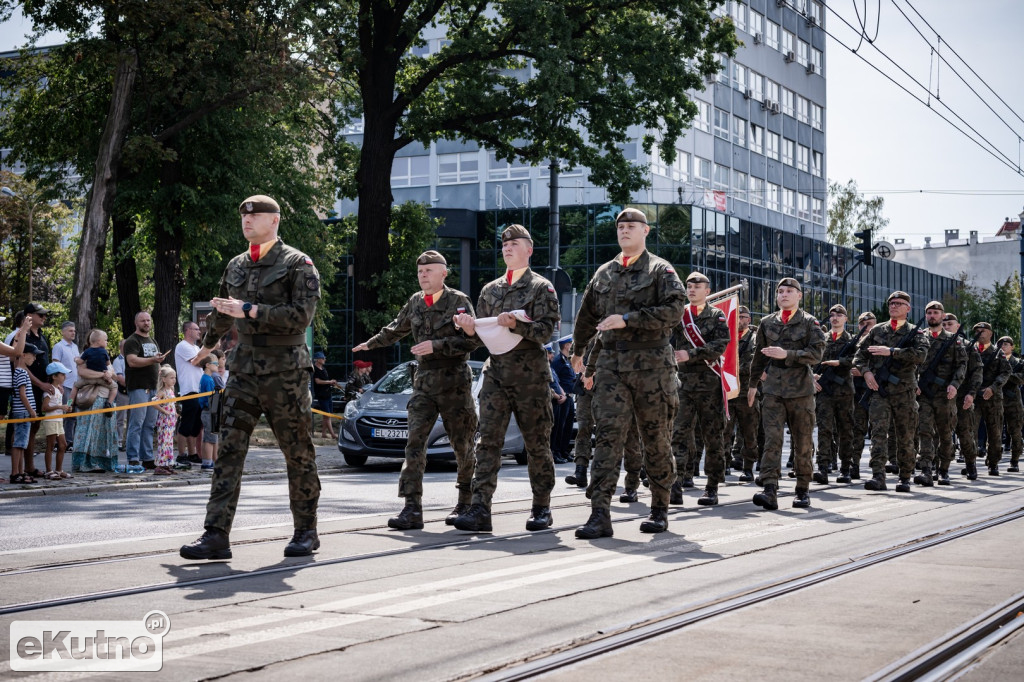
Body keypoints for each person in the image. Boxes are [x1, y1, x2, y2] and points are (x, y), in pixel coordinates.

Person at [180, 194, 322, 560]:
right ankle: (216, 534)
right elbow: (226, 313)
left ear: (274, 221)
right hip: (243, 370)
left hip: (285, 370)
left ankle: (306, 530)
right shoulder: (237, 265)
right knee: (228, 450)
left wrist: (253, 310)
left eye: (255, 216)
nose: (247, 221)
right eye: (244, 216)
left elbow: (301, 316)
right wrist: (208, 347)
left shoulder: (297, 263)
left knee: (297, 451)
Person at [570, 207, 687, 537]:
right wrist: (580, 351)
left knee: (655, 439)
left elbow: (674, 309)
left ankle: (660, 508)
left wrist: (629, 319)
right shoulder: (604, 273)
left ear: (645, 231)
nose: (625, 230)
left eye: (632, 226)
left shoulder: (660, 270)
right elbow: (586, 314)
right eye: (620, 226)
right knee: (607, 436)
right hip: (611, 366)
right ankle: (599, 513)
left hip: (652, 367)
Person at [354, 249, 478, 530]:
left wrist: (437, 345)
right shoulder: (415, 302)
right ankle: (411, 508)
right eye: (420, 272)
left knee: (463, 445)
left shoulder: (458, 301)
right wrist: (370, 344)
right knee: (414, 444)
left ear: (443, 273)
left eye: (429, 271)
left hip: (455, 383)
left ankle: (466, 501)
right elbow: (396, 329)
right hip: (423, 383)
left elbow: (474, 341)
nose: (423, 276)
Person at [451, 224, 560, 533]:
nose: (508, 247)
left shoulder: (541, 288)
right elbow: (480, 338)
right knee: (487, 442)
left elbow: (547, 332)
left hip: (530, 377)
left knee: (536, 443)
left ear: (529, 250)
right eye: (504, 244)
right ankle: (480, 509)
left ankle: (542, 507)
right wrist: (469, 329)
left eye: (515, 243)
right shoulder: (490, 290)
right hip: (496, 373)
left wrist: (517, 324)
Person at [748, 278, 825, 510]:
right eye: (780, 291)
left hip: (800, 390)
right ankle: (770, 488)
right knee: (772, 439)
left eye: (789, 291)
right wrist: (752, 384)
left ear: (799, 296)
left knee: (802, 441)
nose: (783, 295)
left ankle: (802, 489)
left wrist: (787, 355)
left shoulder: (810, 322)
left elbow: (816, 354)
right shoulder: (766, 322)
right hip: (773, 389)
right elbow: (758, 356)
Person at [853, 291, 930, 492]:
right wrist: (867, 372)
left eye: (899, 303)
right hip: (880, 391)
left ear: (908, 308)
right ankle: (878, 475)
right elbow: (859, 356)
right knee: (878, 433)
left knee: (905, 434)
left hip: (904, 392)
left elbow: (921, 356)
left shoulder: (916, 333)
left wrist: (892, 352)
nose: (894, 306)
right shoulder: (876, 331)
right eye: (891, 303)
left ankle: (904, 476)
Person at [670, 271, 730, 506]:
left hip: (709, 385)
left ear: (707, 290)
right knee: (678, 435)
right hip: (683, 384)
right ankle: (675, 485)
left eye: (698, 286)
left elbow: (721, 345)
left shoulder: (717, 316)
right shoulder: (679, 316)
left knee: (713, 437)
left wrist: (690, 353)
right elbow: (667, 341)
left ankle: (712, 487)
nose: (692, 289)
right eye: (689, 285)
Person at [913, 301, 967, 487]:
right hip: (924, 394)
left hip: (945, 394)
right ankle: (926, 470)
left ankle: (943, 470)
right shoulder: (919, 338)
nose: (932, 316)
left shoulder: (953, 340)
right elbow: (911, 363)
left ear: (943, 316)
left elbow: (961, 365)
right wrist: (914, 383)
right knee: (925, 430)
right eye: (929, 313)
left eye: (935, 312)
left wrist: (954, 385)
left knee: (945, 433)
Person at [812, 304, 858, 485]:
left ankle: (846, 468)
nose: (835, 318)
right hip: (824, 391)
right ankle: (822, 467)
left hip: (844, 392)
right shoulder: (821, 339)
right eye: (832, 315)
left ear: (846, 319)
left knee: (845, 430)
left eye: (839, 315)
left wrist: (840, 362)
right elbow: (811, 360)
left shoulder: (852, 340)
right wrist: (813, 377)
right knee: (824, 429)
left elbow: (857, 359)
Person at [125, 312, 170, 469]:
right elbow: (132, 361)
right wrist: (152, 359)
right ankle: (133, 457)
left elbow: (155, 363)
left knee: (150, 424)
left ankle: (147, 457)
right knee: (137, 422)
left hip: (153, 388)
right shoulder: (132, 341)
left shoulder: (152, 340)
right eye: (143, 320)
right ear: (136, 322)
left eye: (148, 320)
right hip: (138, 387)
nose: (146, 323)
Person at [942, 314, 984, 481]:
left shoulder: (967, 346)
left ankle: (970, 463)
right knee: (940, 433)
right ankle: (940, 466)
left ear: (957, 325)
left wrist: (972, 394)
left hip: (962, 395)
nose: (946, 326)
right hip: (940, 395)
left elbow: (977, 371)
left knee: (965, 432)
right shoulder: (937, 343)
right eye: (944, 324)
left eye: (950, 324)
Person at [971, 322, 1011, 476]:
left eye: (983, 330)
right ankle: (971, 463)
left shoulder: (998, 352)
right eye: (977, 331)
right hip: (974, 397)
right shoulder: (970, 350)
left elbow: (1006, 372)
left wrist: (993, 388)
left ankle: (993, 463)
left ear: (991, 333)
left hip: (992, 397)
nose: (980, 333)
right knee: (970, 431)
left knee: (995, 432)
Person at [728, 306, 760, 482]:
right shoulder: (727, 338)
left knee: (749, 431)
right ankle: (723, 464)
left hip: (747, 391)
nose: (740, 319)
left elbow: (754, 363)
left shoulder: (755, 339)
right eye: (737, 316)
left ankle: (748, 467)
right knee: (724, 431)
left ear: (749, 319)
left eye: (744, 317)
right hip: (728, 391)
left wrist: (734, 369)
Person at [22, 303, 52, 478]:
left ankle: (30, 466)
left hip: (43, 387)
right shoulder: (21, 336)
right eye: (40, 315)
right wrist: (39, 383)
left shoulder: (42, 336)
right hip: (28, 387)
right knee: (24, 425)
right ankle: (22, 467)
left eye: (44, 315)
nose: (44, 318)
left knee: (35, 426)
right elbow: (20, 365)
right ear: (29, 316)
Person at [565, 337, 598, 488]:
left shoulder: (611, 324)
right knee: (584, 428)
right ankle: (580, 471)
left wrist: (592, 371)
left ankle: (602, 472)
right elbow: (573, 354)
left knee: (607, 432)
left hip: (608, 387)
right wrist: (582, 368)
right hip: (585, 387)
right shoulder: (584, 331)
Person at [10, 344, 44, 483]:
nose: (35, 358)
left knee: (22, 444)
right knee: (19, 444)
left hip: (23, 413)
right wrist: (31, 411)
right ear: (23, 355)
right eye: (33, 355)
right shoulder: (22, 372)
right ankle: (15, 473)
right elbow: (22, 395)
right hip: (23, 413)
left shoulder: (20, 372)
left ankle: (21, 472)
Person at [849, 311, 877, 479]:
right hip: (858, 392)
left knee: (877, 431)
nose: (865, 327)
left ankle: (876, 465)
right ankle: (854, 464)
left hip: (875, 390)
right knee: (857, 430)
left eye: (869, 324)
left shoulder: (881, 341)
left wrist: (866, 371)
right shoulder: (853, 342)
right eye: (862, 324)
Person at [1, 313, 32, 459]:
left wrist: (19, 338)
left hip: (4, 388)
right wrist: (25, 330)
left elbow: (13, 356)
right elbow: (18, 352)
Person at [175, 321, 204, 467]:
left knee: (195, 425)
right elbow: (197, 362)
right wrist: (209, 350)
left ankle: (193, 454)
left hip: (199, 390)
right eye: (196, 329)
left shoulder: (196, 347)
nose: (199, 331)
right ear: (188, 331)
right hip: (189, 389)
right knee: (186, 424)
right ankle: (181, 455)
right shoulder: (183, 346)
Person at [41, 361, 74, 480]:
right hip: (51, 420)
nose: (65, 377)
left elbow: (57, 405)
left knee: (63, 445)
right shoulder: (49, 391)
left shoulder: (59, 389)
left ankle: (59, 470)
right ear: (54, 376)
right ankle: (48, 471)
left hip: (59, 420)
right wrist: (60, 407)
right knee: (50, 445)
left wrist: (65, 408)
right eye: (62, 374)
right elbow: (44, 408)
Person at [50, 320, 80, 446]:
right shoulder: (59, 347)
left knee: (72, 413)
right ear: (63, 332)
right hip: (65, 386)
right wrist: (59, 384)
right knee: (64, 412)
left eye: (74, 331)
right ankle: (59, 441)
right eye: (70, 331)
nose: (73, 333)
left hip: (75, 387)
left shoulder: (75, 347)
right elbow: (56, 365)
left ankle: (69, 440)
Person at [998, 336, 1023, 472]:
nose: (1003, 346)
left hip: (1013, 402)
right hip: (996, 401)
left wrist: (1006, 375)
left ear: (1012, 347)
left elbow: (1021, 379)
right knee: (994, 432)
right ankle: (993, 460)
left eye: (1006, 344)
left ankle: (1014, 461)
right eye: (1000, 344)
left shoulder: (1018, 362)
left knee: (1015, 432)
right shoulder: (994, 362)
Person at [74, 329, 119, 406]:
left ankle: (69, 403)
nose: (106, 342)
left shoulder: (103, 353)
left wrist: (110, 373)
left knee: (75, 386)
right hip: (89, 397)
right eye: (105, 340)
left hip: (105, 395)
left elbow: (114, 374)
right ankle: (69, 404)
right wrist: (104, 374)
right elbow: (82, 372)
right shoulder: (85, 354)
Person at [550, 337, 577, 463]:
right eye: (571, 344)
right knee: (560, 426)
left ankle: (564, 451)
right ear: (566, 345)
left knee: (568, 427)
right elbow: (555, 380)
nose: (572, 346)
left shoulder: (566, 360)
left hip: (569, 396)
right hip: (562, 398)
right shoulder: (558, 361)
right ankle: (557, 451)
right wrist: (561, 394)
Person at [198, 355, 223, 471]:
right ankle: (207, 462)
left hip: (210, 411)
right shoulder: (207, 379)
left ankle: (212, 461)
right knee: (209, 438)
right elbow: (210, 398)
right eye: (215, 363)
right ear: (207, 365)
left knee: (211, 437)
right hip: (209, 411)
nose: (218, 366)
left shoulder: (208, 378)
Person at [153, 365, 178, 475]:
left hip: (171, 421)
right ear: (163, 379)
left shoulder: (171, 390)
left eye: (174, 378)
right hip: (164, 421)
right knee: (163, 442)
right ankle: (160, 465)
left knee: (169, 443)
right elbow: (154, 402)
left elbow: (172, 404)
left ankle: (167, 463)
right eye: (171, 378)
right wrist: (164, 411)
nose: (174, 380)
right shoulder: (162, 392)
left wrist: (175, 413)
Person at [311, 351, 339, 439]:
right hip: (321, 395)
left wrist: (332, 382)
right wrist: (329, 382)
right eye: (323, 358)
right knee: (328, 416)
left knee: (326, 416)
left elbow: (326, 380)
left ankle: (323, 433)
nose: (324, 360)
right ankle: (333, 434)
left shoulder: (323, 369)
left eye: (324, 358)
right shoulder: (315, 369)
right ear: (318, 359)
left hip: (328, 394)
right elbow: (317, 381)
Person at [111, 340, 129, 450]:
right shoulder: (118, 361)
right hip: (123, 392)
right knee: (120, 418)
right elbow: (120, 378)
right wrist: (133, 384)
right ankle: (119, 441)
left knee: (133, 419)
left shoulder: (131, 359)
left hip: (133, 392)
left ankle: (129, 441)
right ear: (120, 348)